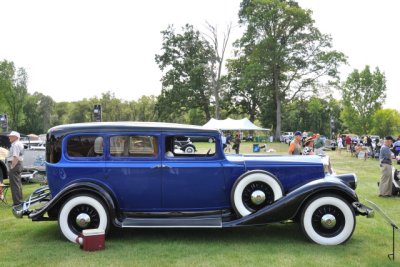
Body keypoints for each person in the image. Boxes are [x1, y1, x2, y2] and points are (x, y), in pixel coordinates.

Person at [7, 131, 24, 206]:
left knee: (14, 184)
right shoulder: (19, 144)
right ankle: (19, 200)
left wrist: (11, 167)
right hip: (19, 164)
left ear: (16, 137)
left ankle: (17, 202)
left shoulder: (15, 145)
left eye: (11, 136)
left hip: (15, 164)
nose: (9, 137)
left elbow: (15, 157)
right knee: (18, 183)